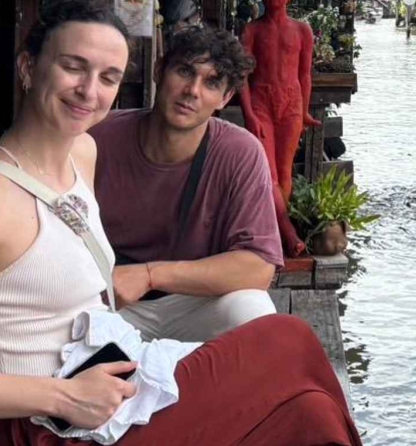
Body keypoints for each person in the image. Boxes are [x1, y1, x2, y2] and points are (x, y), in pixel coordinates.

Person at [0, 0, 358, 445]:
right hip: (51, 424)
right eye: (72, 67)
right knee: (289, 349)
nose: (88, 91)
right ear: (27, 67)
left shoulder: (82, 153)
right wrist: (59, 398)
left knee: (309, 403)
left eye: (108, 77)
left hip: (111, 378)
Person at [90, 25, 287, 343]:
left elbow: (257, 267)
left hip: (195, 302)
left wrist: (150, 275)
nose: (192, 91)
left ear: (225, 98)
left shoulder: (239, 152)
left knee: (254, 313)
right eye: (184, 71)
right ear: (159, 70)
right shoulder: (98, 139)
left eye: (211, 83)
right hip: (109, 298)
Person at [238, 0, 319, 203]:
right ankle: (282, 233)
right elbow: (242, 74)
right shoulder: (251, 31)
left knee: (284, 171)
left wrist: (303, 110)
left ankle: (278, 232)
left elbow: (304, 74)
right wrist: (249, 114)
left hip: (291, 103)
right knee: (268, 172)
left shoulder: (302, 30)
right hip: (261, 101)